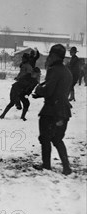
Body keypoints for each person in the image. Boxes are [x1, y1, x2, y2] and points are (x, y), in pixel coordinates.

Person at [32, 44, 73, 175]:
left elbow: (49, 90)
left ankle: (46, 165)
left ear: (54, 56)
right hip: (63, 110)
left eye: (50, 55)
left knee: (44, 138)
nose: (49, 57)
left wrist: (39, 90)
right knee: (57, 139)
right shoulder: (67, 71)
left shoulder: (54, 70)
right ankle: (66, 167)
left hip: (51, 110)